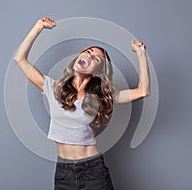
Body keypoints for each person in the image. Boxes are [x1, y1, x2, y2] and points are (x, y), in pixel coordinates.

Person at [13, 17, 150, 190]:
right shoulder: (53, 88)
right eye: (88, 52)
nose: (89, 56)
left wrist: (140, 53)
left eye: (96, 58)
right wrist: (38, 27)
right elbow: (20, 59)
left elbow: (143, 90)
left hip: (93, 171)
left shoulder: (101, 96)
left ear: (98, 72)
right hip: (63, 172)